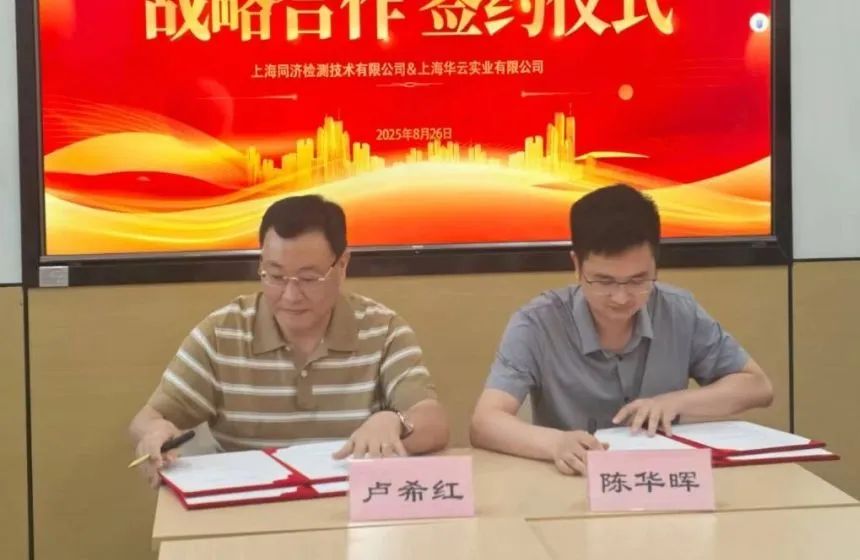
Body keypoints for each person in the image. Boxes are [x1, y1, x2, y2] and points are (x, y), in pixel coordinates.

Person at [129, 195, 449, 487]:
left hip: (353, 507)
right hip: (249, 507)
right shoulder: (221, 334)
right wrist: (154, 433)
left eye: (309, 278)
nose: (291, 295)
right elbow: (147, 419)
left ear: (342, 265)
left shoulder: (383, 330)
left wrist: (395, 422)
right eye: (275, 276)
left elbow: (434, 422)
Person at [470, 184, 773, 475]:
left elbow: (757, 386)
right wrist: (555, 443)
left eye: (638, 280)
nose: (621, 297)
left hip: (662, 481)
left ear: (656, 264)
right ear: (576, 265)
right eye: (604, 281)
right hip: (573, 482)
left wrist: (675, 402)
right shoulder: (537, 324)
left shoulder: (678, 311)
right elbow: (485, 422)